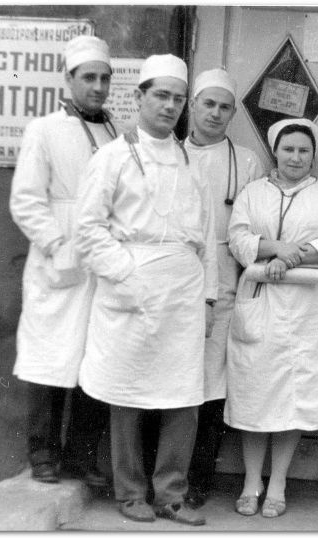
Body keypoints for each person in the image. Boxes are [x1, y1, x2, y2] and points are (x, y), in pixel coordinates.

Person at [75, 54, 217, 526]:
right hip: (131, 283)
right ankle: (131, 491)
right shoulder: (112, 157)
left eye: (178, 99)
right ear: (139, 97)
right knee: (129, 390)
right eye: (161, 96)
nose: (170, 106)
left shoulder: (191, 162)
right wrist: (124, 274)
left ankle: (171, 494)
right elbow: (88, 228)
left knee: (183, 394)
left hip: (182, 289)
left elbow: (207, 236)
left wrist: (209, 297)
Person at [225, 118, 318, 518]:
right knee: (254, 393)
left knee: (292, 397)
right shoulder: (253, 192)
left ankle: (278, 483)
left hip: (308, 307)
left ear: (313, 155)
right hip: (261, 299)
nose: (296, 157)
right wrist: (277, 249)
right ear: (275, 152)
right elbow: (238, 239)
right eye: (288, 149)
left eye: (303, 150)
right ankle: (252, 482)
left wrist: (289, 257)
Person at [10, 35, 116, 487]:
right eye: (88, 77)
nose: (98, 87)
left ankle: (81, 457)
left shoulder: (115, 133)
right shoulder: (44, 130)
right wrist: (58, 245)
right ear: (68, 79)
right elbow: (26, 200)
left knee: (95, 356)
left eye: (105, 78)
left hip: (100, 255)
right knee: (50, 357)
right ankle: (43, 454)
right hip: (60, 255)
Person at [183, 68, 265, 508]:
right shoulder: (171, 154)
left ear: (233, 113)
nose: (215, 113)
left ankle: (199, 478)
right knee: (173, 376)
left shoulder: (246, 161)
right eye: (208, 104)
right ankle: (165, 474)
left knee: (213, 380)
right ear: (192, 105)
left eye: (224, 107)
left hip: (227, 274)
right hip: (177, 272)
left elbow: (255, 223)